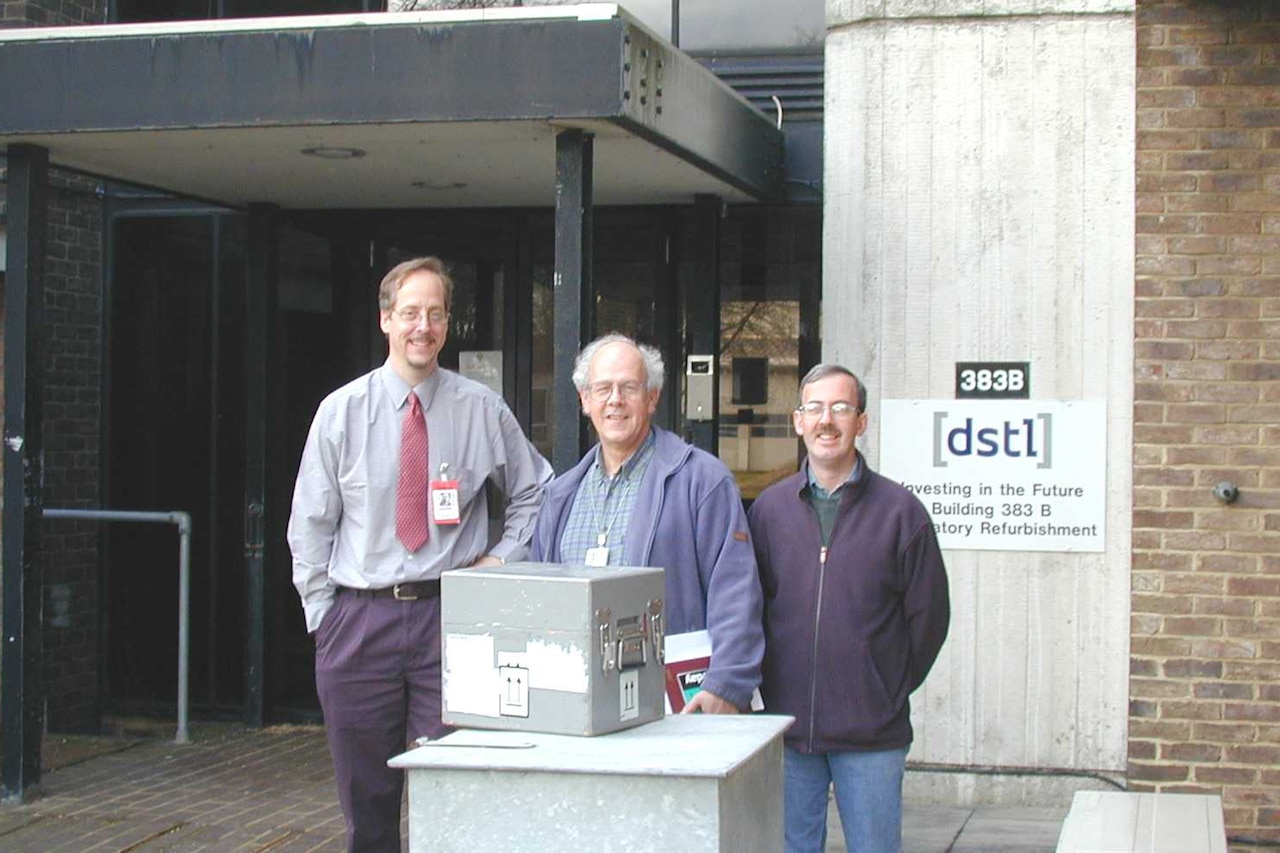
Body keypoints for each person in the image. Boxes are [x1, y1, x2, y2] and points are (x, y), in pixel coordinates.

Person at [287, 256, 552, 853]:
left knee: (454, 794)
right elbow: (309, 524)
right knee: (368, 807)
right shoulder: (341, 413)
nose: (422, 326)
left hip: (450, 619)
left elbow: (536, 486)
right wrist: (323, 618)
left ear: (448, 323)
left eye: (435, 314)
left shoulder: (480, 409)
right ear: (385, 320)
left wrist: (503, 559)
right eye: (409, 312)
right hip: (358, 622)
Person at [748, 364, 950, 853]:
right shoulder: (769, 511)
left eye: (841, 408)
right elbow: (750, 607)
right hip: (788, 728)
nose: (827, 420)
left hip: (872, 736)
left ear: (861, 422)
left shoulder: (902, 514)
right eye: (815, 408)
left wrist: (885, 686)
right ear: (798, 421)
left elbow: (929, 620)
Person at [531, 333, 763, 714]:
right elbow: (540, 605)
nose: (615, 400)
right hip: (579, 700)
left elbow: (735, 590)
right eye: (602, 388)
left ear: (652, 398)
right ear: (585, 401)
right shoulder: (560, 496)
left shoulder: (702, 481)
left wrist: (727, 683)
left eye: (629, 388)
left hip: (675, 703)